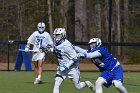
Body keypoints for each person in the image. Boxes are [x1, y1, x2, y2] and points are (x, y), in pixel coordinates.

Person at [52, 28, 94, 93]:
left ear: (63, 35)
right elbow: (57, 51)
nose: (56, 36)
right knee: (57, 83)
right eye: (55, 35)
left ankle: (87, 83)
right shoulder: (56, 43)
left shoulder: (67, 45)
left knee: (78, 86)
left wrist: (66, 66)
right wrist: (47, 49)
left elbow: (75, 57)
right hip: (62, 67)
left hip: (71, 68)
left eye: (58, 35)